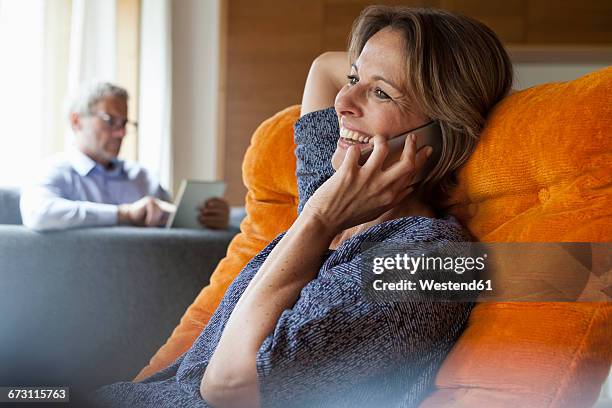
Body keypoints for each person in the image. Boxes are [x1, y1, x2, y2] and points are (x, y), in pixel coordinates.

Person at [92, 6, 513, 407]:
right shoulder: (336, 194)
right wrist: (374, 67)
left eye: (381, 93)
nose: (344, 103)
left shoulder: (431, 261)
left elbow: (228, 387)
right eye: (354, 79)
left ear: (442, 132)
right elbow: (323, 69)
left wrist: (318, 218)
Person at [20, 82, 229, 231]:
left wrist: (212, 221)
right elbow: (37, 213)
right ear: (76, 121)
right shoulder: (53, 170)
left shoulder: (144, 177)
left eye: (124, 124)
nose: (121, 133)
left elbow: (174, 232)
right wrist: (123, 214)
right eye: (110, 120)